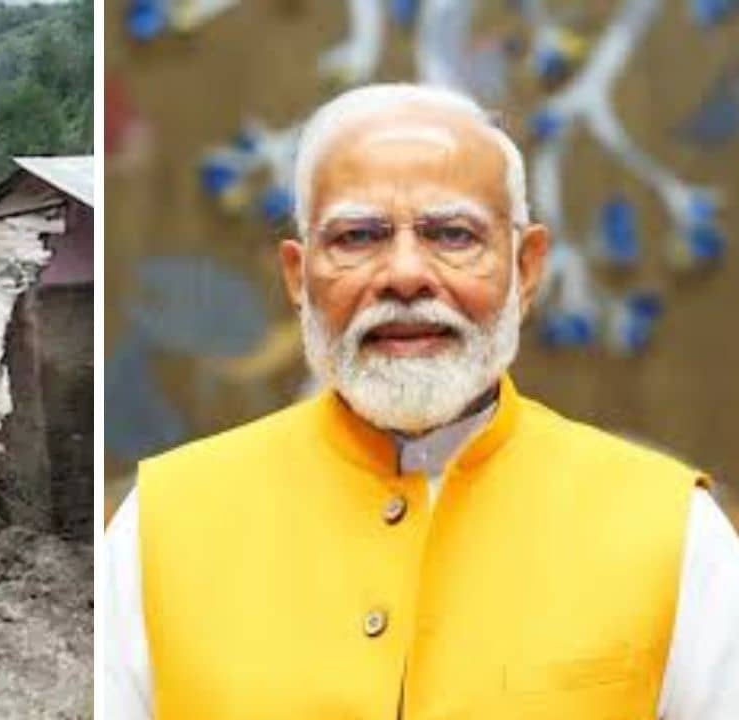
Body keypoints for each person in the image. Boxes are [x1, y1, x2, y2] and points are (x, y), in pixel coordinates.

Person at [103, 83, 739, 719]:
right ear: (298, 276)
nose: (405, 275)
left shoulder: (675, 532)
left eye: (453, 235)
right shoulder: (159, 525)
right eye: (357, 237)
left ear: (526, 269)